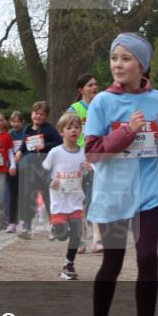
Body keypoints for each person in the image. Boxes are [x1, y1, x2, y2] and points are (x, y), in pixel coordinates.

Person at [85, 33, 158, 316]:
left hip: (147, 193)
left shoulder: (157, 100)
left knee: (148, 258)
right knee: (113, 263)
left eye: (125, 58)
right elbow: (93, 153)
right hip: (113, 195)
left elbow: (156, 150)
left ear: (142, 65)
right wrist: (127, 132)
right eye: (114, 58)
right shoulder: (102, 102)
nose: (117, 65)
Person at [43, 112, 89, 280]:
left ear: (81, 131)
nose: (73, 130)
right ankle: (55, 229)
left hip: (75, 200)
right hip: (59, 202)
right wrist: (50, 182)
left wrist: (89, 169)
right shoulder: (55, 152)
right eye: (69, 127)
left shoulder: (84, 153)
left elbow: (87, 176)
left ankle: (68, 264)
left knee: (76, 234)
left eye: (77, 127)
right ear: (61, 131)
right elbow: (43, 172)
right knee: (62, 234)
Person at [15, 101, 62, 239]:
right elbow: (25, 144)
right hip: (31, 169)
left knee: (48, 197)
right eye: (36, 113)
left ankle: (54, 227)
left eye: (41, 114)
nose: (38, 116)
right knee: (29, 196)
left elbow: (59, 142)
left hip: (46, 168)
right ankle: (27, 227)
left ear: (46, 116)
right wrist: (19, 151)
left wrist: (45, 146)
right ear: (31, 114)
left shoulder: (49, 129)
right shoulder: (28, 129)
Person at [68, 73, 101, 252]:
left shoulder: (102, 106)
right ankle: (80, 239)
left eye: (95, 84)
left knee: (96, 198)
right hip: (77, 158)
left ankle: (97, 239)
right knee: (78, 200)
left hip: (96, 158)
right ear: (81, 90)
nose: (94, 87)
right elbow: (67, 133)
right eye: (90, 85)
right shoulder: (74, 109)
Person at [7, 110, 26, 231]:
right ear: (10, 122)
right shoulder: (9, 134)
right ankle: (12, 222)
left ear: (22, 122)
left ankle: (23, 220)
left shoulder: (26, 133)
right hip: (12, 168)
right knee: (13, 195)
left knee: (23, 194)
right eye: (13, 121)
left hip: (24, 168)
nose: (16, 124)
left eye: (18, 121)